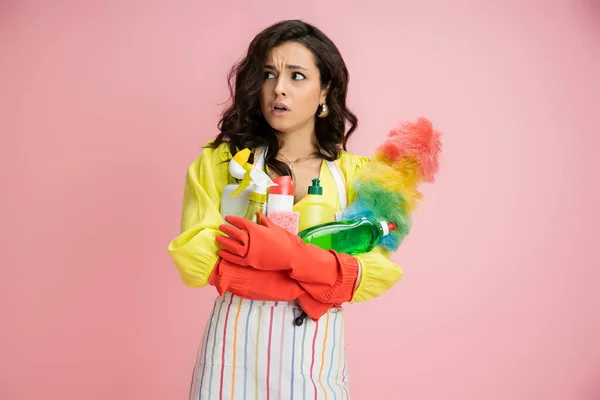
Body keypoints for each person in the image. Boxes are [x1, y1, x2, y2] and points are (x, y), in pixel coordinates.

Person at [168, 19, 403, 400]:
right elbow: (197, 253)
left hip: (315, 361)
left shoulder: (358, 177)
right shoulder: (221, 164)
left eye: (297, 76)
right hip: (232, 356)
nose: (278, 88)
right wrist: (314, 278)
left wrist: (292, 257)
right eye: (268, 74)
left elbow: (374, 267)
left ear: (325, 91)